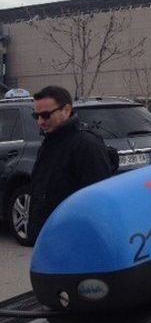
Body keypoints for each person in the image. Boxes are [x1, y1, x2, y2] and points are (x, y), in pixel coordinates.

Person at [29, 86, 113, 244]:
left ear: (66, 110)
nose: (40, 121)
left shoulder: (86, 145)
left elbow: (95, 202)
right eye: (36, 116)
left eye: (46, 115)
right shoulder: (49, 144)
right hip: (48, 240)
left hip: (73, 242)